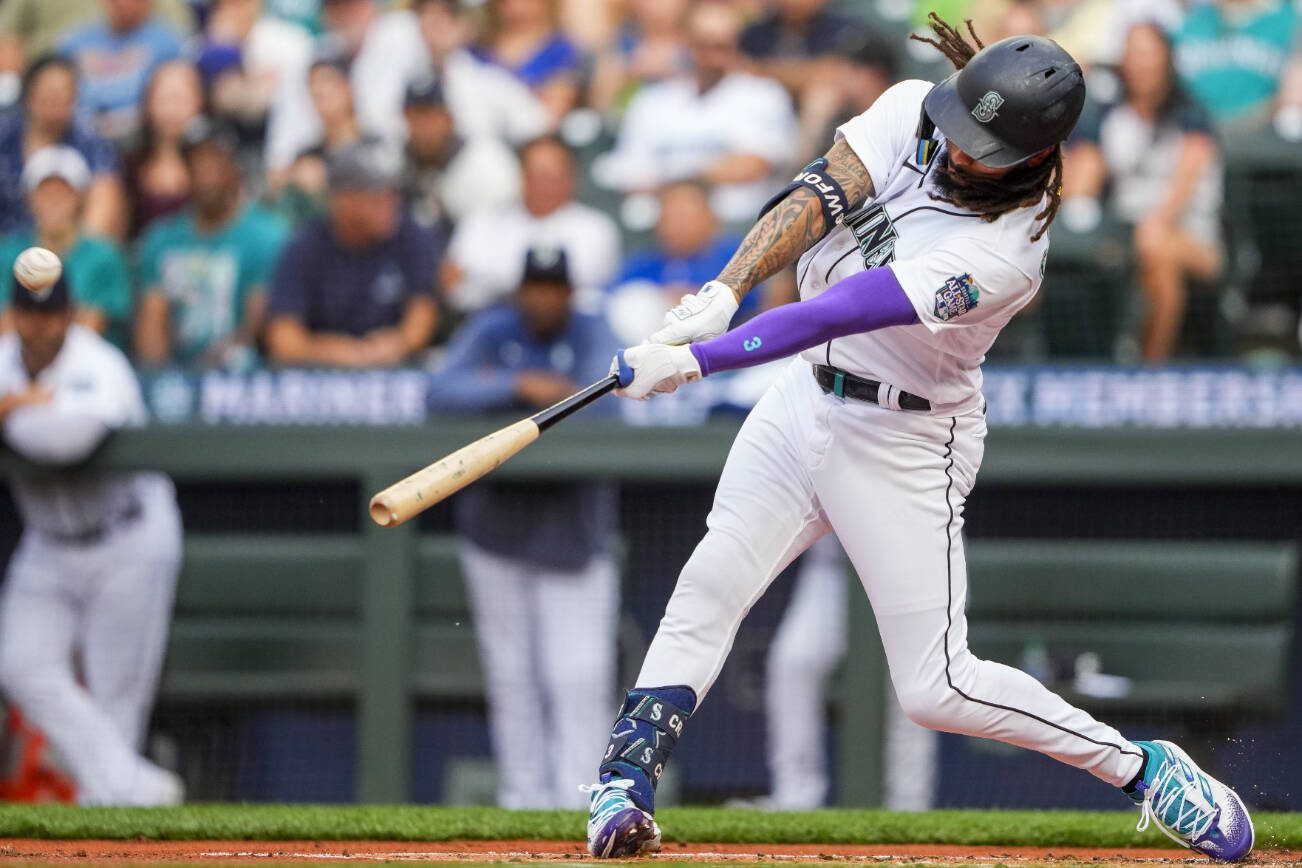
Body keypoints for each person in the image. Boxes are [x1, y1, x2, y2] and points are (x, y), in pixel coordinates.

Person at [581, 16, 1255, 862]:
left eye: (978, 143)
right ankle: (623, 783)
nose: (950, 145)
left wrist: (700, 361)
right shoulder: (915, 107)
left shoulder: (1009, 252)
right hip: (803, 398)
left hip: (903, 437)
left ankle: (1144, 770)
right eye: (957, 122)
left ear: (1030, 159)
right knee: (713, 581)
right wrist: (724, 288)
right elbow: (819, 194)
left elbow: (844, 306)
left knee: (936, 688)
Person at [429, 246, 620, 809]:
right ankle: (522, 799)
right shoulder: (495, 329)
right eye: (533, 286)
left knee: (577, 677)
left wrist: (542, 396)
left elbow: (607, 404)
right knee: (511, 677)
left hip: (572, 531)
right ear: (520, 291)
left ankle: (579, 800)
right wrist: (519, 385)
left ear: (568, 293)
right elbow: (438, 392)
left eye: (552, 287)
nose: (541, 298)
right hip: (497, 530)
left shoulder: (591, 328)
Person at [0, 258, 184, 806]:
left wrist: (10, 412)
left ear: (70, 315)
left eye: (53, 314)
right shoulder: (5, 360)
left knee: (117, 703)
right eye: (32, 315)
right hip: (48, 546)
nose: (43, 326)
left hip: (125, 540)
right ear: (15, 316)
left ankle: (100, 835)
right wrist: (24, 404)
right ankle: (136, 787)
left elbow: (70, 438)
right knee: (19, 665)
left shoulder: (98, 362)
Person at [1063, 23, 1223, 362]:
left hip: (1194, 236)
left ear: (1167, 59)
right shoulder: (1111, 114)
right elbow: (1086, 163)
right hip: (1125, 231)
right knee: (1118, 246)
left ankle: (1150, 367)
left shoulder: (1192, 116)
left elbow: (1183, 186)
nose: (1140, 63)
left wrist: (1156, 225)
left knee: (1155, 245)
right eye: (1133, 54)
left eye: (1149, 54)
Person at [595, 2, 798, 223]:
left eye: (723, 46)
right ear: (687, 44)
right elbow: (632, 175)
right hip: (661, 227)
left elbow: (753, 166)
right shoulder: (652, 101)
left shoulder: (763, 94)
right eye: (704, 45)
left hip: (738, 226)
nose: (714, 57)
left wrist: (676, 182)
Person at [266, 138, 441, 368]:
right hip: (320, 382)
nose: (390, 203)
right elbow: (283, 339)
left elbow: (423, 313)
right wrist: (335, 351)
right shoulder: (305, 246)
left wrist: (399, 343)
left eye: (393, 193)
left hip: (395, 372)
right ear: (342, 199)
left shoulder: (410, 235)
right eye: (376, 195)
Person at [135, 118, 288, 370]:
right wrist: (158, 378)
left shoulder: (267, 235)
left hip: (241, 372)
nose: (206, 172)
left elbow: (256, 324)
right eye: (197, 163)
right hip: (177, 374)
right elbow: (153, 321)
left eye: (215, 161)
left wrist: (212, 371)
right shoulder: (161, 239)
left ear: (234, 167)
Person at [444, 136, 619, 317]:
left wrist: (485, 279)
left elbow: (568, 293)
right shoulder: (482, 223)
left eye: (551, 175)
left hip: (572, 330)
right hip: (492, 323)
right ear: (521, 176)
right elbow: (451, 284)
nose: (542, 183)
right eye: (535, 174)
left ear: (570, 179)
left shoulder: (596, 228)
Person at [262, 0, 426, 181]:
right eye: (336, 7)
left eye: (353, 6)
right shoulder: (312, 56)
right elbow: (279, 160)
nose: (346, 15)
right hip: (327, 168)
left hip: (400, 162)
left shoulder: (403, 33)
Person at [0, 146, 132, 350]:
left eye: (63, 194)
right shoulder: (8, 253)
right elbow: (6, 330)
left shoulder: (104, 256)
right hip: (19, 366)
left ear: (80, 199)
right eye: (45, 193)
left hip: (87, 368)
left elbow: (91, 329)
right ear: (29, 198)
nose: (53, 202)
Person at [607, 181, 757, 344]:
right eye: (672, 216)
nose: (679, 225)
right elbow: (613, 301)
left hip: (725, 352)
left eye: (687, 216)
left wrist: (693, 301)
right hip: (650, 353)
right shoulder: (642, 263)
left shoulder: (735, 255)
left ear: (711, 218)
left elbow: (755, 301)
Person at [0, 55, 124, 239]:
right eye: (48, 91)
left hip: (71, 252)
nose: (55, 98)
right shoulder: (5, 135)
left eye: (63, 92)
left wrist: (76, 255)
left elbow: (104, 202)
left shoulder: (91, 142)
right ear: (29, 94)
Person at [413, 0, 552, 147]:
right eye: (424, 20)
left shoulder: (491, 80)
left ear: (462, 25)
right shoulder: (406, 76)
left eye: (439, 23)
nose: (431, 31)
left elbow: (538, 126)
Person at [400, 75, 520, 233]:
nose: (423, 127)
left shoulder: (484, 161)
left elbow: (494, 234)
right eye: (415, 117)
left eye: (431, 117)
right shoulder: (398, 162)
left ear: (449, 119)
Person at [59, 0, 185, 145]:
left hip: (142, 143)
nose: (124, 3)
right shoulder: (73, 43)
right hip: (78, 139)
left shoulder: (167, 44)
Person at [1173, 0, 1302, 133]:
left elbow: (1291, 97)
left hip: (1269, 141)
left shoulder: (1291, 21)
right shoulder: (1190, 23)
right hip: (1191, 138)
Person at [122, 60, 204, 238]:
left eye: (180, 99)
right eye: (164, 99)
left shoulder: (214, 163)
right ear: (148, 103)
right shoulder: (129, 166)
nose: (171, 110)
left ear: (198, 102)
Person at [472, 0, 584, 123]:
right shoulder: (477, 49)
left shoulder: (561, 50)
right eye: (505, 2)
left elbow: (553, 112)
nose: (516, 7)